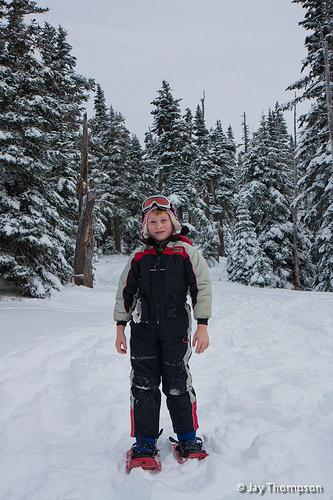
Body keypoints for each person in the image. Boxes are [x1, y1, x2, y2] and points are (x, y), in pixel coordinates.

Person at [114, 195, 212, 464]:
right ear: (146, 226)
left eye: (163, 220)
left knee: (178, 383)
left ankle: (188, 439)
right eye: (153, 221)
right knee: (144, 385)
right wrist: (120, 327)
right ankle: (144, 444)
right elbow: (125, 292)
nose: (159, 226)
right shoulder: (138, 256)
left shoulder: (185, 252)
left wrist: (202, 325)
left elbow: (201, 289)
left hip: (176, 328)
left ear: (173, 222)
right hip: (143, 331)